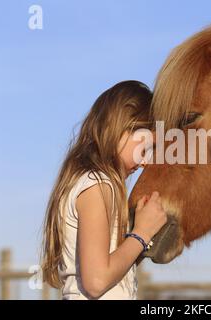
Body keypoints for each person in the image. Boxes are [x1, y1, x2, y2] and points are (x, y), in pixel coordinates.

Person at [40, 80, 167, 299]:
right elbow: (96, 281)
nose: (145, 161)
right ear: (123, 127)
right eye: (146, 147)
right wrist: (142, 233)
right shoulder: (97, 185)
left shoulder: (88, 182)